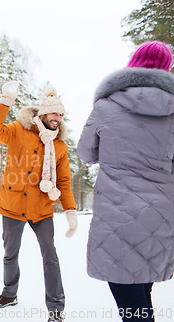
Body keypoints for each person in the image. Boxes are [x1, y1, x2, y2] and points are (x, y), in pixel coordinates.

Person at [77, 40, 174, 322]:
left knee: (132, 307)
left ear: (132, 65)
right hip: (160, 217)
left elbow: (85, 152)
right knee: (141, 295)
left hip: (116, 215)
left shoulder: (107, 105)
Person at [0, 83, 78, 322]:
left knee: (50, 256)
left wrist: (70, 210)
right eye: (55, 114)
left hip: (41, 208)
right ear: (43, 114)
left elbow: (64, 180)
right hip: (12, 205)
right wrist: (5, 100)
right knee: (9, 254)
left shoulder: (59, 146)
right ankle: (9, 294)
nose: (58, 118)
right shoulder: (17, 130)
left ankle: (56, 308)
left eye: (61, 115)